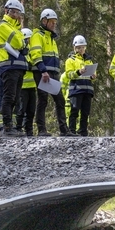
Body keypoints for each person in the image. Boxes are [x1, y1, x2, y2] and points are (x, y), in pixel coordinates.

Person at [0, 0, 29, 137]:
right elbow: (19, 42)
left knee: (15, 97)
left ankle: (11, 126)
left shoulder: (14, 28)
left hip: (16, 66)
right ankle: (7, 127)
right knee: (9, 96)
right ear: (7, 11)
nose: (18, 16)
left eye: (19, 14)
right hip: (8, 65)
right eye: (15, 13)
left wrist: (23, 44)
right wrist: (22, 44)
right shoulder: (3, 26)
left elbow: (23, 44)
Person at [30, 8, 73, 136]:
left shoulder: (52, 38)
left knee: (60, 100)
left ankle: (64, 130)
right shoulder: (37, 35)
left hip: (52, 73)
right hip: (42, 72)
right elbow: (35, 54)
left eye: (55, 22)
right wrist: (43, 70)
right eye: (52, 21)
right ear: (44, 21)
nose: (54, 24)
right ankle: (41, 129)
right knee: (43, 99)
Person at [65, 35, 96, 136]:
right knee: (74, 111)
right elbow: (69, 74)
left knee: (85, 113)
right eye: (78, 47)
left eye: (82, 47)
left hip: (87, 90)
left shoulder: (89, 60)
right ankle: (72, 130)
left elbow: (93, 75)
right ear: (74, 48)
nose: (81, 49)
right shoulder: (70, 60)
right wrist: (78, 72)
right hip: (76, 90)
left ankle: (83, 131)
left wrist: (93, 76)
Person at [18, 28, 38, 136]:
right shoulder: (21, 51)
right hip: (23, 86)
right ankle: (18, 129)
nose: (28, 41)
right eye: (27, 39)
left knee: (31, 111)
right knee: (21, 110)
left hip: (32, 86)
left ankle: (29, 131)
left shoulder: (32, 50)